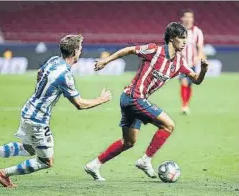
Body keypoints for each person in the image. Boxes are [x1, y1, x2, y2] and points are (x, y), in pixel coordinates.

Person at [0, 34, 112, 187]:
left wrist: (43, 93)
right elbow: (80, 104)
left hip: (28, 109)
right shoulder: (65, 76)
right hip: (37, 120)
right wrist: (101, 99)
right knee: (46, 161)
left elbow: (39, 73)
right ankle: (3, 173)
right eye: (80, 49)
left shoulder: (54, 60)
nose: (81, 52)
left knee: (29, 148)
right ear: (75, 51)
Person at [84, 22, 208, 181]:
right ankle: (145, 160)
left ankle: (94, 164)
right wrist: (105, 61)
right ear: (171, 38)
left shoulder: (180, 62)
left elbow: (196, 80)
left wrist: (203, 69)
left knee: (129, 142)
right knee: (169, 125)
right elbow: (129, 50)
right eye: (182, 38)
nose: (185, 42)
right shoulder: (154, 50)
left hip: (131, 99)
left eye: (186, 39)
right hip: (134, 97)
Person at [179, 9, 204, 114]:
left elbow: (200, 47)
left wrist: (198, 58)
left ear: (192, 19)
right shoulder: (177, 30)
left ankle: (186, 104)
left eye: (190, 17)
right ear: (182, 18)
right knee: (184, 82)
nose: (188, 19)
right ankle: (184, 105)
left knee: (189, 84)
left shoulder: (197, 32)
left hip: (192, 63)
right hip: (181, 63)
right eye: (186, 17)